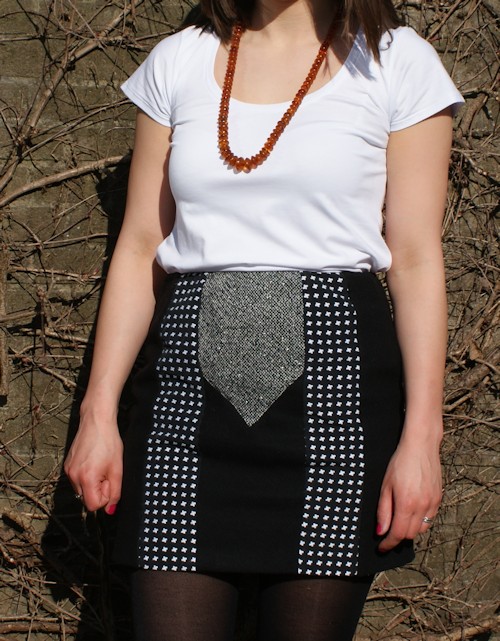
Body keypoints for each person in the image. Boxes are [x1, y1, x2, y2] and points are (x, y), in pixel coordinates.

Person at [64, 0, 464, 638]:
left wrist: (422, 440)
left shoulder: (397, 62)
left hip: (335, 408)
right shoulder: (180, 61)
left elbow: (415, 261)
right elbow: (140, 247)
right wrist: (97, 415)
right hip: (184, 409)